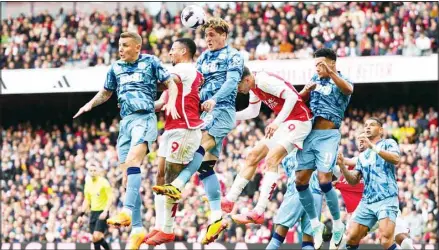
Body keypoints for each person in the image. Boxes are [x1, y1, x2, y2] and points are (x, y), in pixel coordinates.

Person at [73, 31, 178, 250]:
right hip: (126, 123)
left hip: (144, 118)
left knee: (132, 163)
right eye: (119, 45)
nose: (120, 49)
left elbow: (171, 82)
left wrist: (171, 102)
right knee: (128, 173)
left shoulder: (150, 62)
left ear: (137, 47)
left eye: (125, 45)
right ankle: (138, 228)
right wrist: (89, 105)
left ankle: (127, 211)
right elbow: (106, 92)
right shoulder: (116, 68)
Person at [151, 17, 244, 244]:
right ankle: (216, 217)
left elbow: (232, 83)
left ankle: (179, 184)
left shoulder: (234, 55)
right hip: (202, 113)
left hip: (221, 110)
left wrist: (214, 98)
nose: (208, 39)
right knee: (205, 166)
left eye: (212, 35)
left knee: (199, 148)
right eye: (205, 35)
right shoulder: (202, 58)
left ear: (223, 34)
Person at [220, 66, 312, 225]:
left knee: (271, 160)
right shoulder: (253, 86)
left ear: (247, 80)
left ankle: (259, 211)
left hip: (299, 121)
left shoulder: (263, 81)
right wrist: (231, 116)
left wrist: (276, 122)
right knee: (252, 156)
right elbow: (253, 112)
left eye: (238, 85)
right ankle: (229, 200)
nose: (237, 89)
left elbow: (292, 96)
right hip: (285, 123)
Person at [144, 38, 204, 246]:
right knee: (160, 175)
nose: (169, 54)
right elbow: (161, 102)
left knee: (170, 179)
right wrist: (138, 106)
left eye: (173, 50)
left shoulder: (185, 69)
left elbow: (163, 80)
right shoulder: (179, 75)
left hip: (184, 129)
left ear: (184, 51)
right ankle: (159, 225)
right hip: (171, 128)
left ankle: (168, 230)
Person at [295, 48, 353, 249]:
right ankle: (314, 223)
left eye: (321, 64)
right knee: (300, 181)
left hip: (329, 135)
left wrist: (331, 73)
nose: (317, 68)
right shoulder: (314, 79)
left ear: (332, 64)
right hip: (310, 135)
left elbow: (348, 90)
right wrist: (305, 92)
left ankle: (337, 223)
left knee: (324, 179)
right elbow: (298, 101)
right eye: (316, 65)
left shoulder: (341, 80)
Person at [334, 131, 414, 250]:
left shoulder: (375, 154)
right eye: (359, 140)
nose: (360, 142)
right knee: (348, 238)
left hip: (385, 204)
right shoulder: (360, 159)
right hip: (367, 208)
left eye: (363, 139)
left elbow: (348, 161)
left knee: (401, 239)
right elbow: (345, 162)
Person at [266, 149, 322, 250]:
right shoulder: (318, 147)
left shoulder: (287, 149)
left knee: (279, 231)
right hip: (316, 193)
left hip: (297, 191)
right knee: (308, 239)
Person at [79, 163, 113, 250]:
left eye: (94, 170)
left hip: (102, 211)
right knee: (95, 238)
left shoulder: (103, 182)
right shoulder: (88, 184)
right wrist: (81, 215)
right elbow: (87, 200)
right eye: (91, 171)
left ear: (98, 172)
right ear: (88, 172)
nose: (93, 172)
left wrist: (106, 211)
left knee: (96, 236)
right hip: (93, 212)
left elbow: (110, 198)